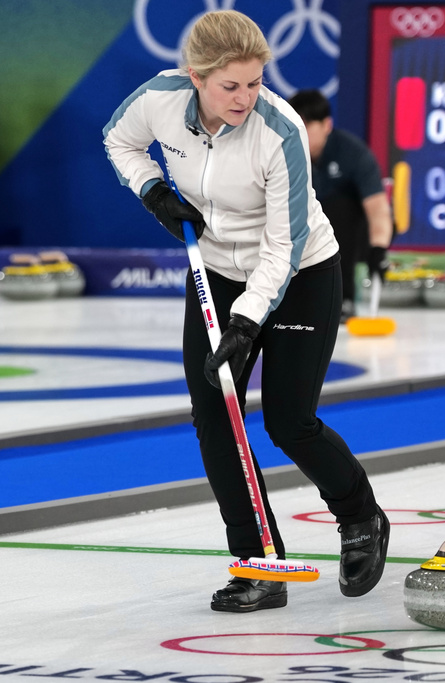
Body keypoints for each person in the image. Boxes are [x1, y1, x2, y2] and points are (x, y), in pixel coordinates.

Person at [102, 10, 389, 612]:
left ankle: (360, 515)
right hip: (214, 268)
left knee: (287, 419)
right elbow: (118, 140)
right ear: (195, 76)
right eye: (230, 85)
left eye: (255, 83)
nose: (245, 97)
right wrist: (153, 189)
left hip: (301, 272)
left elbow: (283, 249)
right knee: (216, 420)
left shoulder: (279, 130)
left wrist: (245, 322)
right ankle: (260, 565)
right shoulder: (159, 98)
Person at [287, 89, 393, 321]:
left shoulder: (354, 154)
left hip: (353, 235)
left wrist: (378, 250)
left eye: (307, 124)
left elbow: (378, 210)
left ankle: (344, 298)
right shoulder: (283, 154)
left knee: (339, 208)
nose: (300, 132)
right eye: (295, 124)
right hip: (304, 230)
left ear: (327, 125)